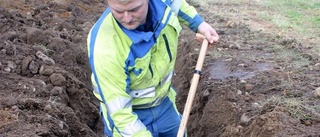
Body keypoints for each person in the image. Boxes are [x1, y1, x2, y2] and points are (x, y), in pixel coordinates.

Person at [87, 0, 219, 136]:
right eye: (118, 11)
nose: (127, 18)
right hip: (129, 116)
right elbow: (120, 114)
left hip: (164, 104)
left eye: (134, 9)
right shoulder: (105, 46)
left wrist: (198, 24)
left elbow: (175, 4)